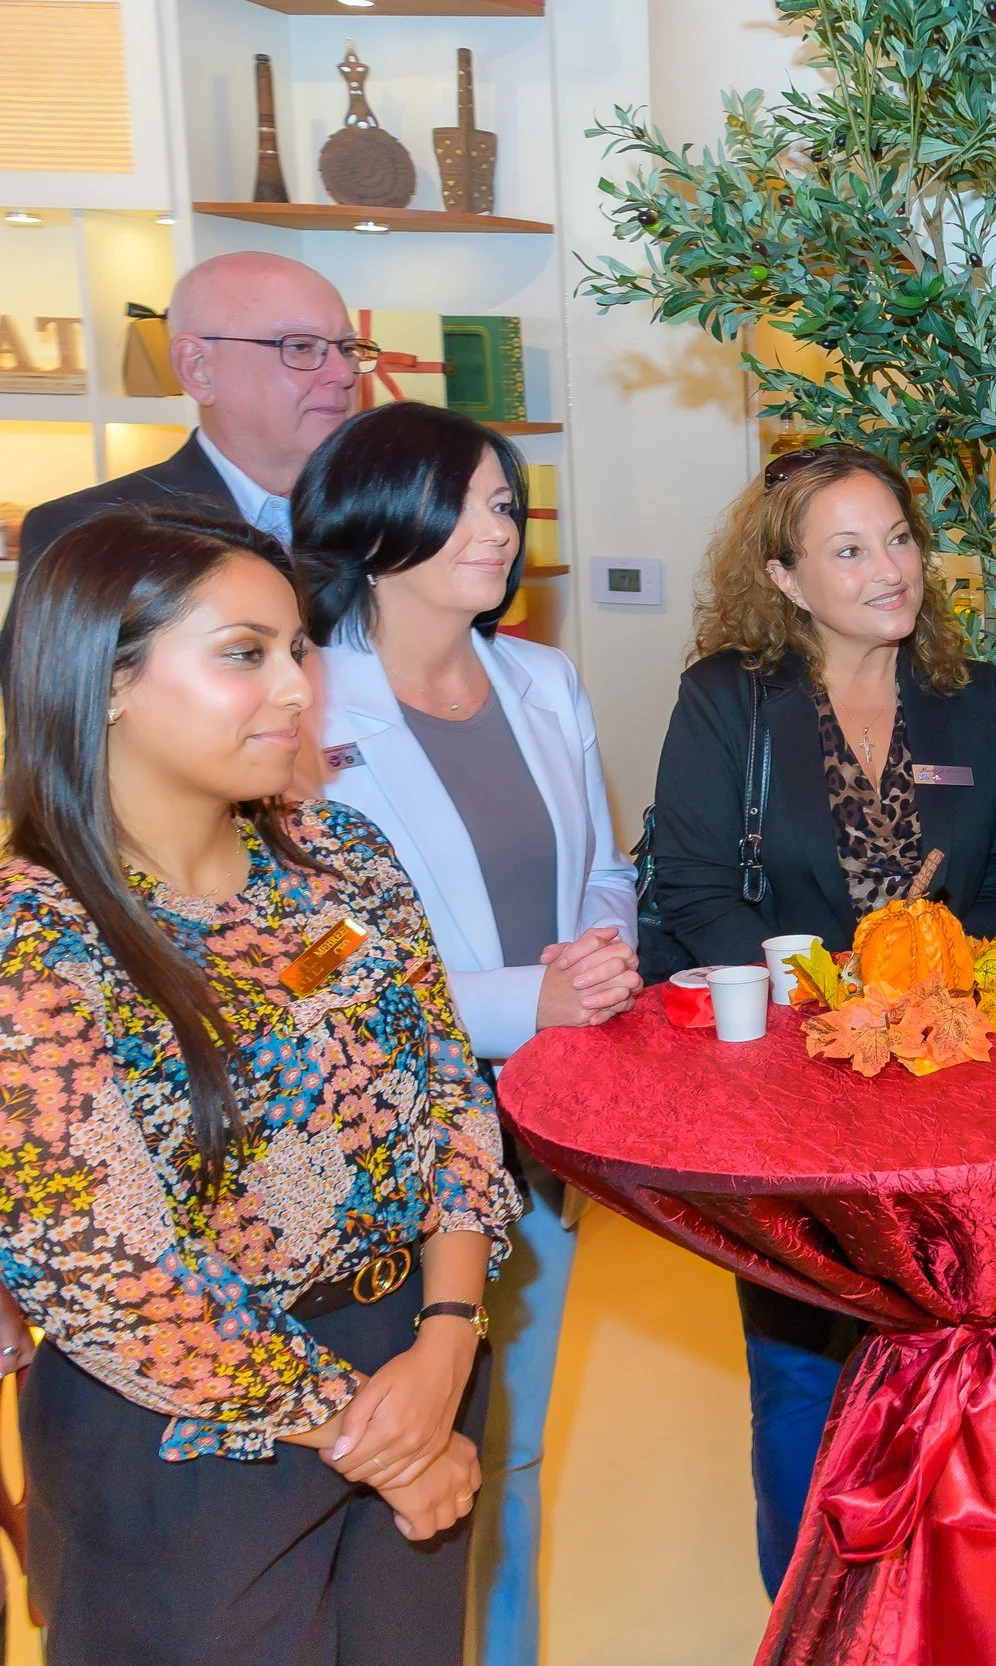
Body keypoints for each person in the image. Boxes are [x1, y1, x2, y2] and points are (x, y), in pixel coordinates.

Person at [0, 507, 520, 1665]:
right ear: (109, 680)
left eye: (297, 647)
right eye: (244, 652)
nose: (293, 686)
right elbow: (107, 1267)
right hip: (187, 1434)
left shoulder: (343, 858)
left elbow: (451, 1097)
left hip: (414, 1361)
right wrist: (378, 1435)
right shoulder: (36, 932)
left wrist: (445, 1340)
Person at [289, 402, 642, 1666]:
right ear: (379, 519)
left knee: (512, 1453)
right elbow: (312, 958)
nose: (502, 528)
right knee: (374, 1471)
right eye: (474, 504)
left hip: (535, 1134)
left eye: (507, 503)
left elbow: (603, 864)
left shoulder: (541, 679)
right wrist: (512, 999)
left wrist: (597, 950)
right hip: (361, 1162)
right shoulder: (298, 699)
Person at [649, 442, 996, 1596]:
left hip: (951, 1097)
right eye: (848, 549)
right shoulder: (729, 700)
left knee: (952, 1370)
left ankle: (936, 1613)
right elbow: (694, 889)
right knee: (802, 1375)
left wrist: (950, 996)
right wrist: (839, 1001)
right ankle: (816, 1616)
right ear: (787, 579)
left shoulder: (974, 697)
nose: (888, 568)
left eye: (898, 538)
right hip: (791, 1099)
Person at [12, 253, 365, 572]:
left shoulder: (398, 514)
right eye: (301, 346)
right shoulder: (87, 536)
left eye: (348, 348)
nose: (343, 373)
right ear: (198, 368)